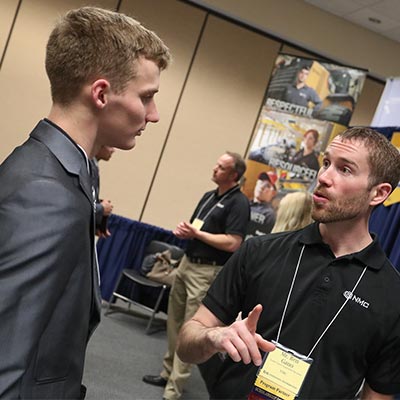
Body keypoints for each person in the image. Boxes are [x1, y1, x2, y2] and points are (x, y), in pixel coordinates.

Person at [0, 6, 170, 399]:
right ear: (101, 93)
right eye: (146, 97)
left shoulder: (71, 172)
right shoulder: (46, 192)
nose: (154, 115)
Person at [176, 127, 400, 399]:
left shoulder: (392, 295)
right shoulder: (259, 251)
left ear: (378, 193)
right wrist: (214, 338)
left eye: (345, 170)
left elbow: (377, 395)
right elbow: (186, 343)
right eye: (326, 163)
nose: (324, 177)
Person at [143, 151, 250, 400]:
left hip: (206, 271)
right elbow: (198, 228)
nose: (214, 169)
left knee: (191, 328)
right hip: (187, 263)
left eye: (221, 167)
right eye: (216, 164)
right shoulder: (209, 196)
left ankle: (174, 388)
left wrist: (198, 235)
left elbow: (234, 242)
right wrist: (187, 233)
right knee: (174, 321)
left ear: (234, 175)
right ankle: (166, 372)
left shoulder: (239, 203)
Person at [91, 145, 115, 238]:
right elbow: (76, 204)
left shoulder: (93, 166)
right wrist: (101, 208)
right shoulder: (87, 165)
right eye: (110, 146)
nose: (113, 150)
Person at [245, 171, 278, 239]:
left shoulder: (270, 215)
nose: (261, 187)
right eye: (260, 182)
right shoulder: (243, 203)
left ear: (273, 193)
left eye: (267, 186)